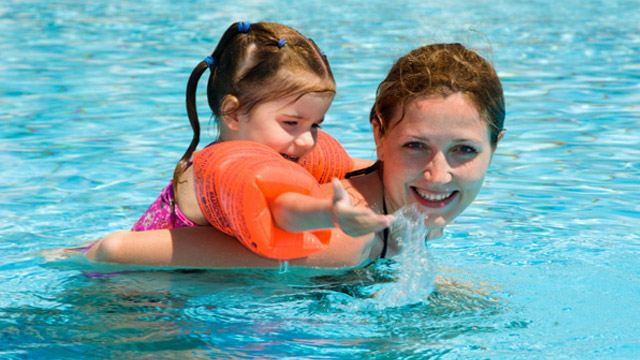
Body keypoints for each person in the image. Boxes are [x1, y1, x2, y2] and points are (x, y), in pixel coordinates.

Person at [85, 42, 505, 269]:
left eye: (464, 150)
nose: (437, 174)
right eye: (415, 146)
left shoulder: (411, 207)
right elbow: (116, 251)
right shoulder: (340, 241)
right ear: (378, 133)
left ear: (495, 146)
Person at [125, 21, 368, 233]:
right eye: (291, 123)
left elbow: (355, 168)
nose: (307, 140)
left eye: (315, 125)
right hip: (136, 284)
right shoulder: (217, 173)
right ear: (233, 113)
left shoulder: (269, 153)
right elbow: (281, 211)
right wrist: (329, 213)